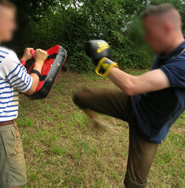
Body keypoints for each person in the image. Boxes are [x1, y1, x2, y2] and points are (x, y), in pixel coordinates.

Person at [73, 4, 185, 188]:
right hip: (134, 102)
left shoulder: (183, 63)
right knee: (80, 96)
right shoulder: (169, 47)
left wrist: (102, 61)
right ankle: (96, 121)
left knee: (134, 183)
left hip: (150, 126)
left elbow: (132, 85)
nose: (146, 38)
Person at [0, 0, 48, 187]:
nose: (13, 26)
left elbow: (2, 77)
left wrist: (23, 59)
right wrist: (38, 62)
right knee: (14, 183)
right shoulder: (3, 56)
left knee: (4, 180)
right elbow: (29, 86)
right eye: (10, 20)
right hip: (2, 133)